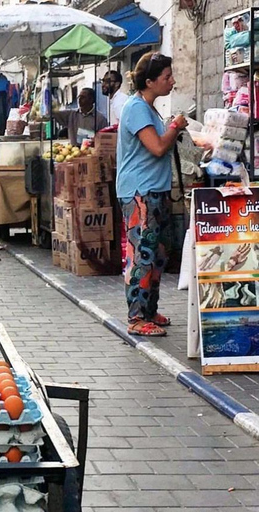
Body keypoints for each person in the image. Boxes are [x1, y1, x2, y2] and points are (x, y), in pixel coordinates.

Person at [116, 52, 187, 337]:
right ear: (149, 81)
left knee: (158, 253)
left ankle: (149, 310)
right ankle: (136, 317)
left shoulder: (150, 108)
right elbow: (157, 147)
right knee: (142, 254)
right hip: (140, 193)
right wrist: (174, 127)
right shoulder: (136, 108)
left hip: (156, 191)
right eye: (166, 77)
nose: (171, 81)